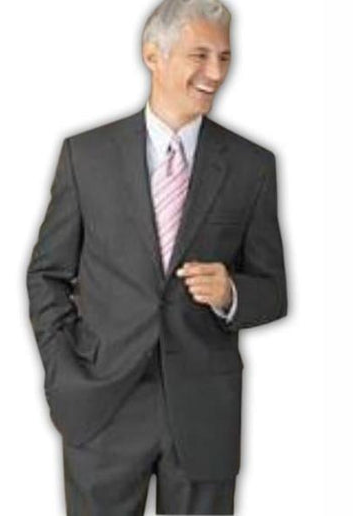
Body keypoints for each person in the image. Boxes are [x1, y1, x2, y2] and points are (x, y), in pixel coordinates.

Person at [26, 0, 288, 514]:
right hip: (102, 406)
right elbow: (47, 275)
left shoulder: (252, 166)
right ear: (153, 55)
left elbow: (274, 291)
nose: (216, 72)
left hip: (204, 416)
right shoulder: (86, 156)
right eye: (200, 55)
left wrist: (232, 292)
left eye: (224, 57)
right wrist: (63, 369)